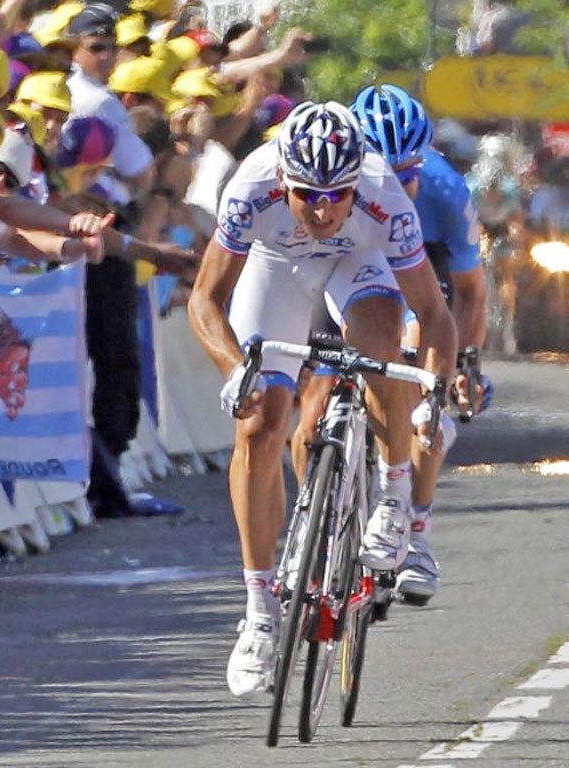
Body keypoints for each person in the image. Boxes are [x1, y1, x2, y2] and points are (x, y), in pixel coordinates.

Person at [187, 101, 455, 696]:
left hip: (357, 265)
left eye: (339, 193)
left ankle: (389, 492)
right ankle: (259, 609)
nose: (325, 207)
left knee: (381, 338)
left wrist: (431, 394)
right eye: (309, 193)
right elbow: (205, 300)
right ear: (283, 179)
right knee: (260, 424)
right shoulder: (250, 186)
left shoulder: (384, 196)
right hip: (275, 267)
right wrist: (235, 370)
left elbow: (434, 314)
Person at [346, 83, 490, 604]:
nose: (396, 186)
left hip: (418, 262)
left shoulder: (445, 190)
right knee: (318, 393)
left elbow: (470, 292)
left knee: (418, 382)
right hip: (353, 256)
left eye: (407, 174)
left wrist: (459, 367)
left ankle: (419, 529)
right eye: (384, 175)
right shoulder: (339, 179)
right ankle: (313, 535)